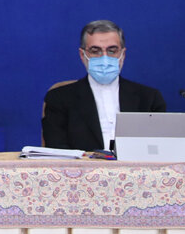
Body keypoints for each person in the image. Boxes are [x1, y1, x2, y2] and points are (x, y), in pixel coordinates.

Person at [41, 20, 166, 151]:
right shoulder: (59, 98)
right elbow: (57, 150)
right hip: (83, 164)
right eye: (95, 51)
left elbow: (159, 149)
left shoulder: (149, 98)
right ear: (82, 55)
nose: (104, 58)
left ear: (123, 54)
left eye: (112, 51)